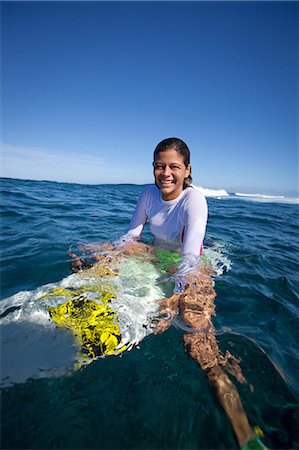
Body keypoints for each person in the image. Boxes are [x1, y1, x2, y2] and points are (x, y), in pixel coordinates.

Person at [70, 138, 265, 449]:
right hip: (159, 255)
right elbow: (132, 236)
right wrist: (107, 256)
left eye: (174, 166)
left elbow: (189, 258)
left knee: (195, 340)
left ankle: (245, 432)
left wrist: (175, 301)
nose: (166, 173)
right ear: (153, 169)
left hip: (193, 266)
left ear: (187, 170)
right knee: (83, 251)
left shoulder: (194, 200)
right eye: (160, 166)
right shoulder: (148, 194)